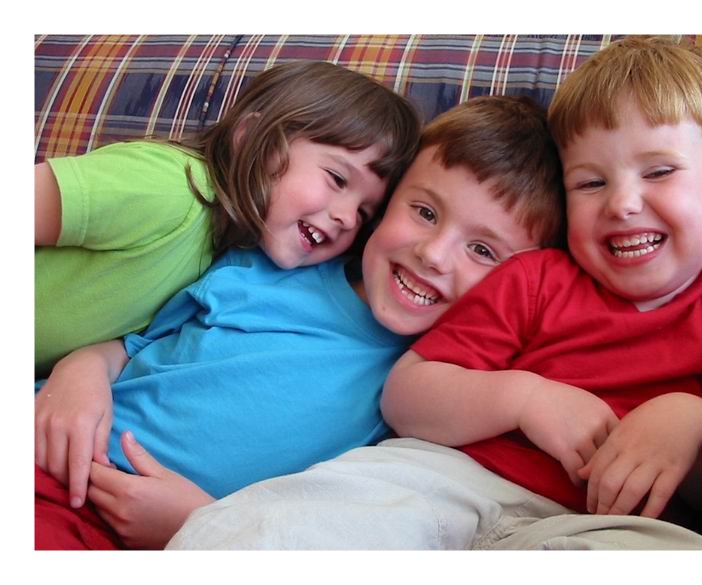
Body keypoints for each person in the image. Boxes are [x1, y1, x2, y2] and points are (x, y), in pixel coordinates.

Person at [167, 37, 702, 551]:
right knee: (269, 530)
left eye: (659, 172)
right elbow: (406, 395)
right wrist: (523, 397)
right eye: (591, 182)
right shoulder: (534, 277)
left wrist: (698, 426)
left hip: (610, 525)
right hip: (442, 480)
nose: (621, 203)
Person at [35, 94, 566, 549]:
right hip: (53, 462)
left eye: (482, 250)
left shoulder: (437, 394)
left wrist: (200, 521)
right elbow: (132, 345)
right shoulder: (266, 270)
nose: (433, 253)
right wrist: (79, 372)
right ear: (387, 203)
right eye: (424, 212)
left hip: (184, 538)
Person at [34, 60, 421, 378]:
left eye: (365, 212)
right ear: (252, 137)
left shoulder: (239, 263)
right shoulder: (167, 187)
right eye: (337, 178)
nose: (347, 218)